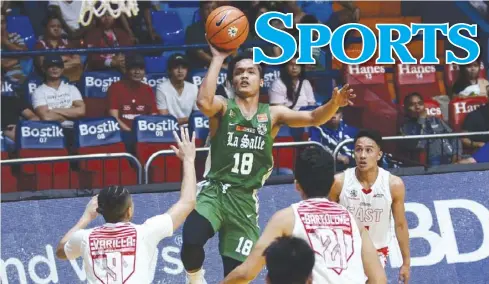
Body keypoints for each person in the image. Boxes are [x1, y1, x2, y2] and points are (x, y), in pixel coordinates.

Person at [181, 41, 355, 283]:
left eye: (250, 71)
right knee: (191, 241)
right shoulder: (223, 107)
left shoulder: (273, 114)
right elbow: (203, 103)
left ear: (261, 81)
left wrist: (334, 103)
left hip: (244, 202)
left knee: (235, 276)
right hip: (214, 193)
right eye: (239, 72)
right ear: (231, 81)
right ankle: (195, 278)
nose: (244, 75)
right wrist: (218, 58)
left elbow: (314, 117)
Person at [222, 147, 386, 284]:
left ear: (297, 185)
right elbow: (379, 280)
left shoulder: (286, 219)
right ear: (333, 183)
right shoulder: (353, 221)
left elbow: (246, 273)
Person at [56, 127, 197, 284]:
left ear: (99, 211)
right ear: (129, 211)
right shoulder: (146, 232)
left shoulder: (85, 238)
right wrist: (189, 160)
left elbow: (61, 251)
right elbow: (188, 201)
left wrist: (86, 217)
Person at [328, 129, 411, 283]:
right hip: (346, 252)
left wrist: (406, 262)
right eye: (358, 150)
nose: (363, 155)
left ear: (379, 155)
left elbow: (400, 225)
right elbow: (328, 223)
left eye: (368, 150)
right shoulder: (339, 182)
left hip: (378, 251)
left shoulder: (393, 184)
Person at [399, 92, 461, 165]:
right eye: (412, 105)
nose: (417, 107)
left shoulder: (436, 120)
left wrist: (456, 153)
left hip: (451, 156)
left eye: (420, 103)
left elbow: (454, 136)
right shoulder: (406, 126)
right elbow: (417, 144)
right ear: (406, 109)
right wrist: (421, 119)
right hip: (431, 161)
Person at [108, 54, 158, 132]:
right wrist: (130, 132)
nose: (137, 72)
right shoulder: (115, 88)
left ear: (144, 72)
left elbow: (154, 116)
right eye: (133, 68)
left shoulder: (148, 89)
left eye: (141, 69)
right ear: (127, 70)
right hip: (122, 133)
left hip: (144, 134)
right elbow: (114, 118)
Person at [32, 54, 85, 123]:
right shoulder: (38, 92)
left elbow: (81, 111)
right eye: (50, 66)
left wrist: (53, 110)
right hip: (52, 130)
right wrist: (68, 117)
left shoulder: (72, 88)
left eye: (58, 66)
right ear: (44, 69)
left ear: (62, 69)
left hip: (74, 130)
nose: (55, 68)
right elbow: (46, 117)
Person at [35, 14, 83, 82]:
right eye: (52, 26)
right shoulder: (40, 44)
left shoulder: (67, 42)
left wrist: (54, 65)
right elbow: (43, 66)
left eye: (59, 26)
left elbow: (77, 61)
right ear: (46, 28)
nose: (56, 29)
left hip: (71, 78)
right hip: (48, 80)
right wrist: (66, 59)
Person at [156, 53, 198, 125]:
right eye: (176, 67)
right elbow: (165, 120)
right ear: (170, 70)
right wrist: (189, 119)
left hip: (190, 129)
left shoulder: (193, 88)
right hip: (170, 129)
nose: (180, 71)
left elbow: (198, 114)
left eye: (183, 67)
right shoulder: (161, 88)